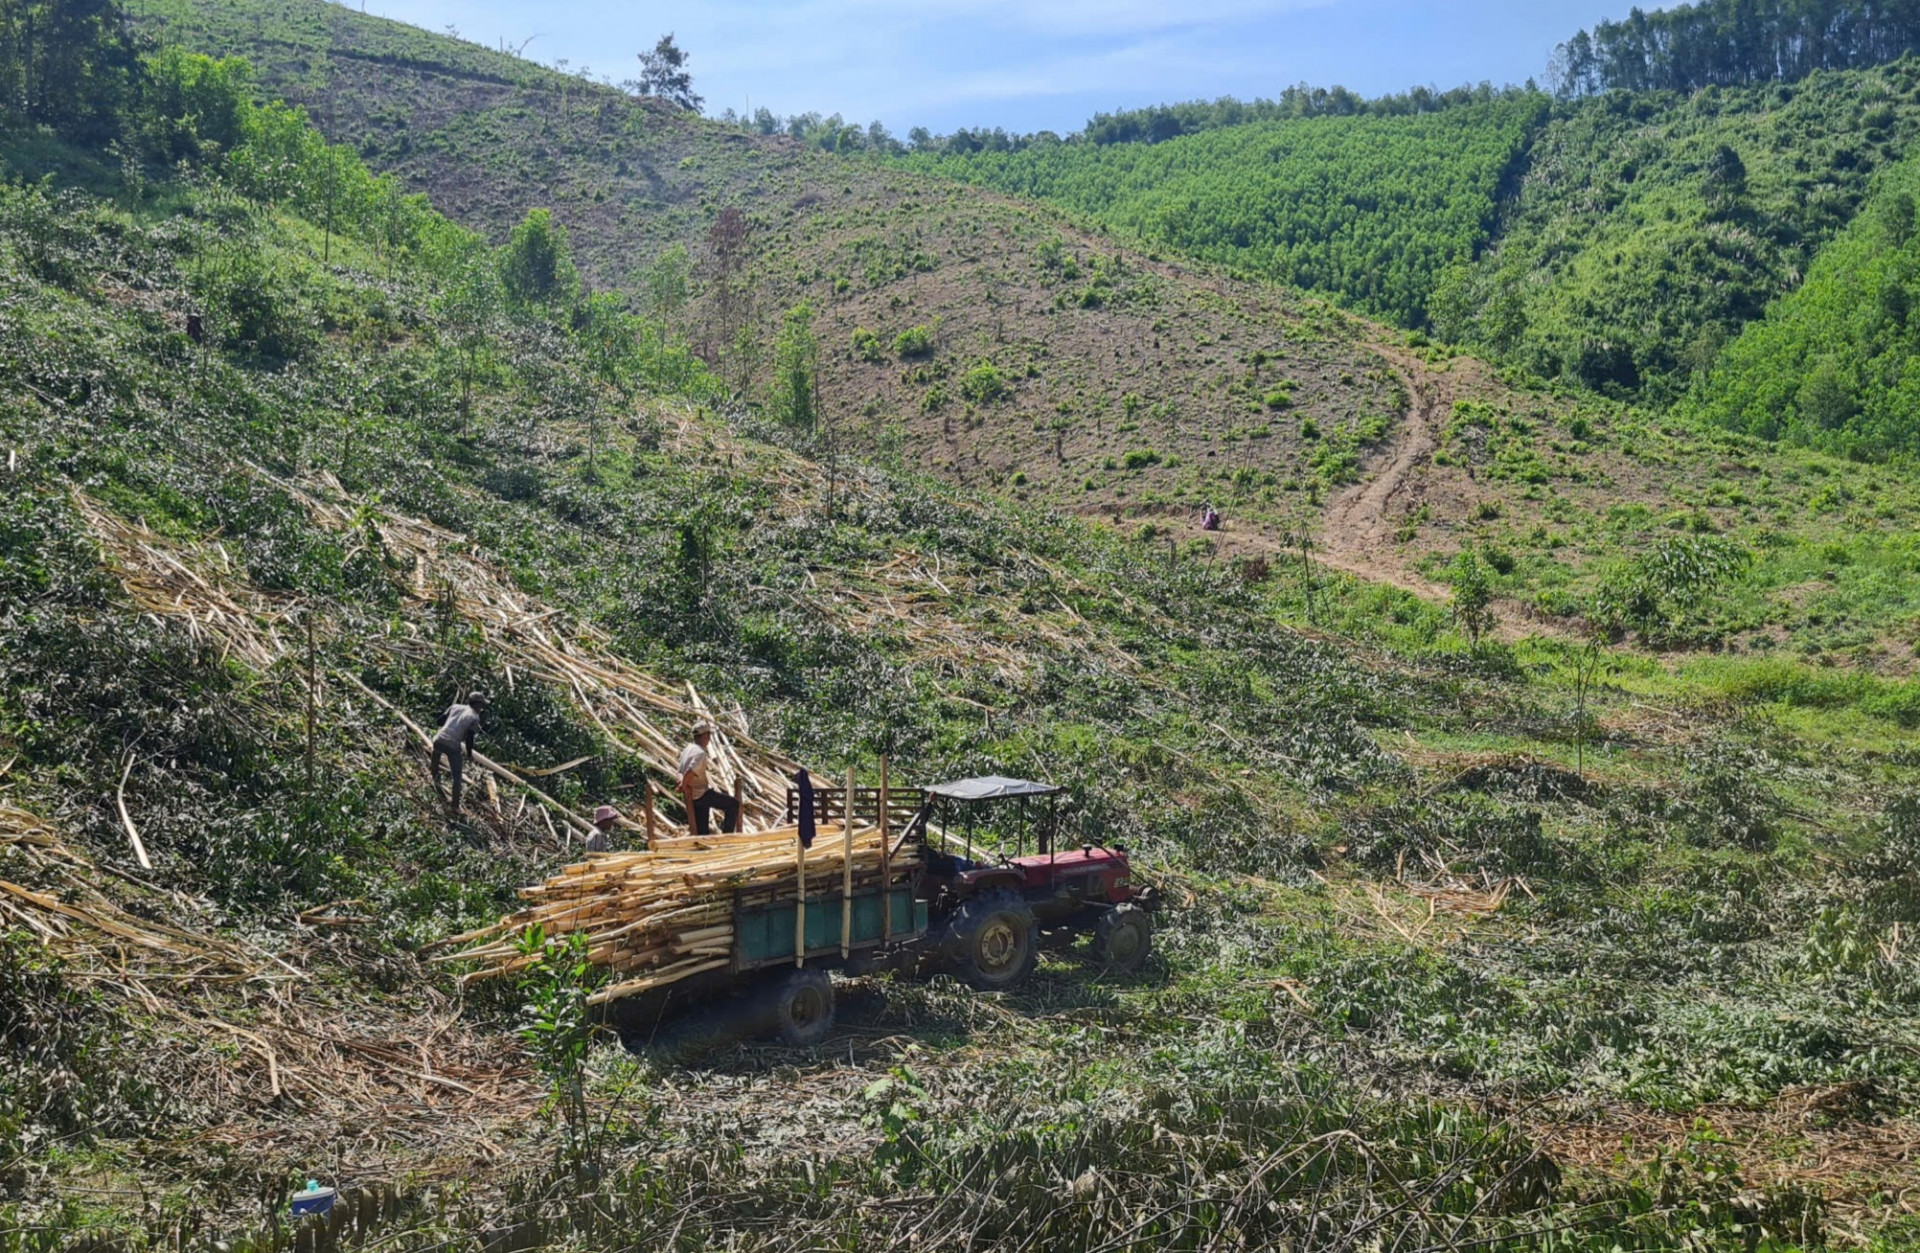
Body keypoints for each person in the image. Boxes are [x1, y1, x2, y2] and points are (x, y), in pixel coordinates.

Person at [678, 721, 740, 835]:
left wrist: (682, 784)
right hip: (701, 794)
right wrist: (684, 785)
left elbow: (680, 772)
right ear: (706, 735)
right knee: (733, 804)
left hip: (693, 796)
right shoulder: (700, 753)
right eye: (709, 736)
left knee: (702, 831)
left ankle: (703, 849)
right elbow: (690, 771)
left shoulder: (687, 749)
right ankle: (727, 837)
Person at [431, 691, 488, 814]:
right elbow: (469, 738)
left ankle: (433, 779)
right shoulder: (474, 717)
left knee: (436, 753)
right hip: (452, 745)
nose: (482, 708)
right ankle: (455, 806)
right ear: (477, 704)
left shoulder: (455, 706)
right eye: (481, 705)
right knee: (457, 777)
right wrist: (469, 754)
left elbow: (440, 721)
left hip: (439, 738)